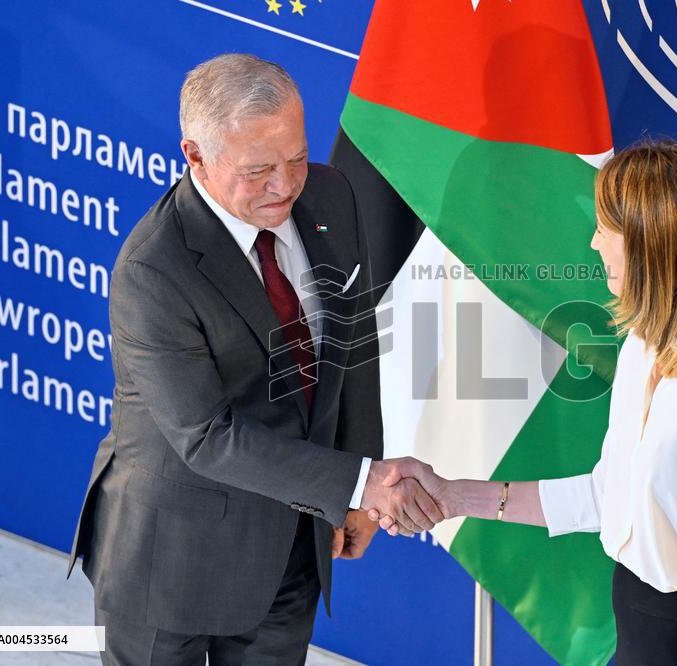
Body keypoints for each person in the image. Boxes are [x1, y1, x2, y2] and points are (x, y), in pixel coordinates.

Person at [67, 54, 441, 665]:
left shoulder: (331, 195)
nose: (285, 185)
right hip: (172, 568)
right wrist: (354, 480)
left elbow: (355, 344)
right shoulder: (153, 270)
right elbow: (207, 436)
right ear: (196, 157)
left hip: (290, 550)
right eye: (258, 169)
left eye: (295, 157)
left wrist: (357, 487)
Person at [375, 140, 677, 666]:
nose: (594, 243)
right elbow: (607, 494)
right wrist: (454, 497)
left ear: (651, 244)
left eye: (605, 229)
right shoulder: (644, 339)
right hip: (642, 621)